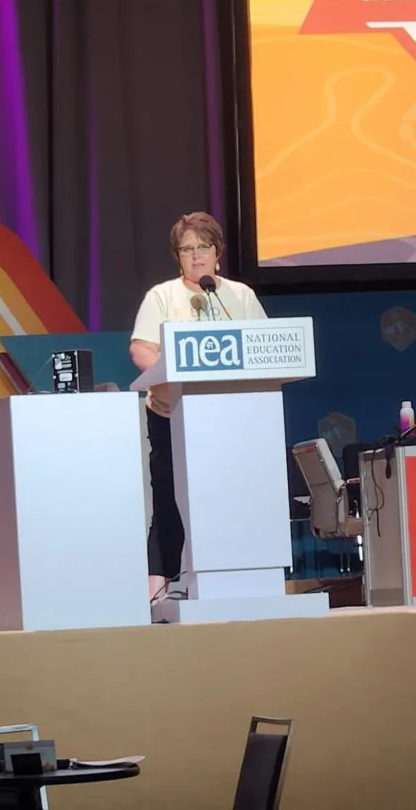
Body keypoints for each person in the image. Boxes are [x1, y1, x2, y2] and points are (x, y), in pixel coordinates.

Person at [130, 211, 267, 603]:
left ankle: (242, 576)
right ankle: (160, 584)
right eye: (186, 249)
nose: (195, 256)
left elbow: (263, 348)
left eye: (202, 247)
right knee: (170, 499)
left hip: (232, 422)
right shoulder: (162, 296)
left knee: (232, 497)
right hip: (172, 417)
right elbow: (141, 348)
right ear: (178, 257)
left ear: (217, 252)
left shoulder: (240, 296)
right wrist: (169, 373)